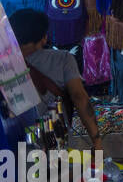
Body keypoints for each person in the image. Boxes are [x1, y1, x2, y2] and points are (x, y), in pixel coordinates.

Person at [10, 9, 102, 147]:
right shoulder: (63, 59)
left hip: (15, 148)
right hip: (57, 143)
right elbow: (79, 97)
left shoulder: (5, 66)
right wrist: (96, 140)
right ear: (44, 37)